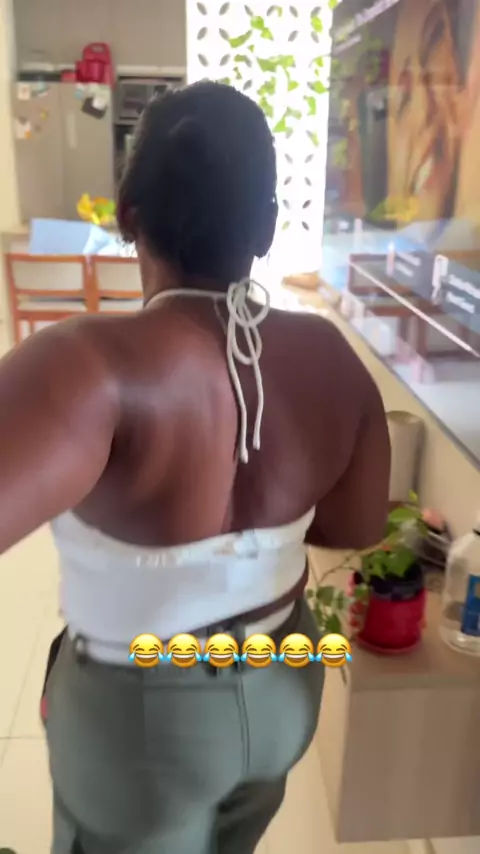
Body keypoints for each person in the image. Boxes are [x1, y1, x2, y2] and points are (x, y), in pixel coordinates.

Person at [0, 82, 390, 853]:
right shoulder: (330, 359)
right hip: (283, 685)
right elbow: (357, 523)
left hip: (144, 723)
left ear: (127, 215)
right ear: (267, 227)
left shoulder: (84, 365)